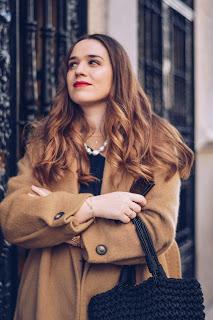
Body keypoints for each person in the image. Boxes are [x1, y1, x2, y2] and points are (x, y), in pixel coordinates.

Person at [0, 33, 194, 320]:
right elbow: (13, 218)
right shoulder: (45, 142)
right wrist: (91, 207)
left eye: (94, 62)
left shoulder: (156, 143)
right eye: (72, 64)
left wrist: (65, 225)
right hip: (50, 301)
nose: (79, 70)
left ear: (118, 73)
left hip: (132, 300)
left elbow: (156, 231)